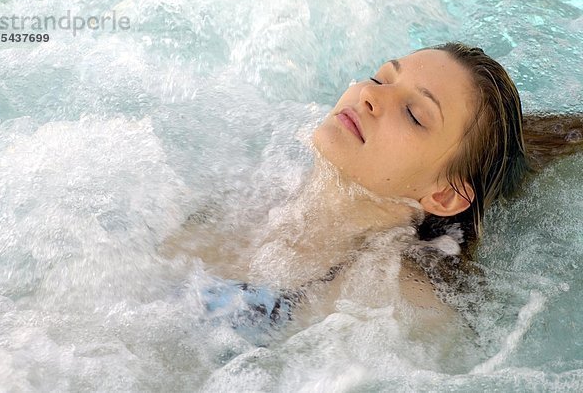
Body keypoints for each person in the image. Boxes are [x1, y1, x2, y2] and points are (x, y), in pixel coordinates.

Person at [161, 42, 582, 342]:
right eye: (380, 77)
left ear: (444, 196)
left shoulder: (397, 309)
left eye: (415, 115)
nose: (370, 95)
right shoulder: (246, 197)